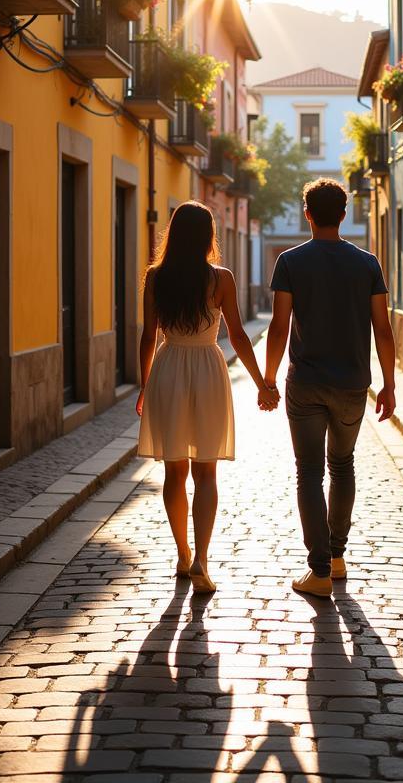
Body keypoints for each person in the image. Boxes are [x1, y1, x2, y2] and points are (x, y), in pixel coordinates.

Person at [263, 178, 396, 598]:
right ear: (344, 214)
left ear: (307, 214)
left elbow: (279, 326)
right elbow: (383, 329)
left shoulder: (289, 261)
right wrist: (389, 384)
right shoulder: (368, 263)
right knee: (343, 465)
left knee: (309, 473)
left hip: (304, 383)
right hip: (353, 384)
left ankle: (318, 570)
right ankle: (337, 557)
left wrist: (268, 380)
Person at [137, 201, 279, 594]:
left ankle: (182, 554)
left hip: (168, 370)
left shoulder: (155, 278)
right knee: (206, 472)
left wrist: (145, 386)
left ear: (175, 233)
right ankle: (201, 559)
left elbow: (149, 337)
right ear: (208, 236)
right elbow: (237, 335)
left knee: (174, 472)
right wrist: (262, 385)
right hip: (208, 371)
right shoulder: (222, 279)